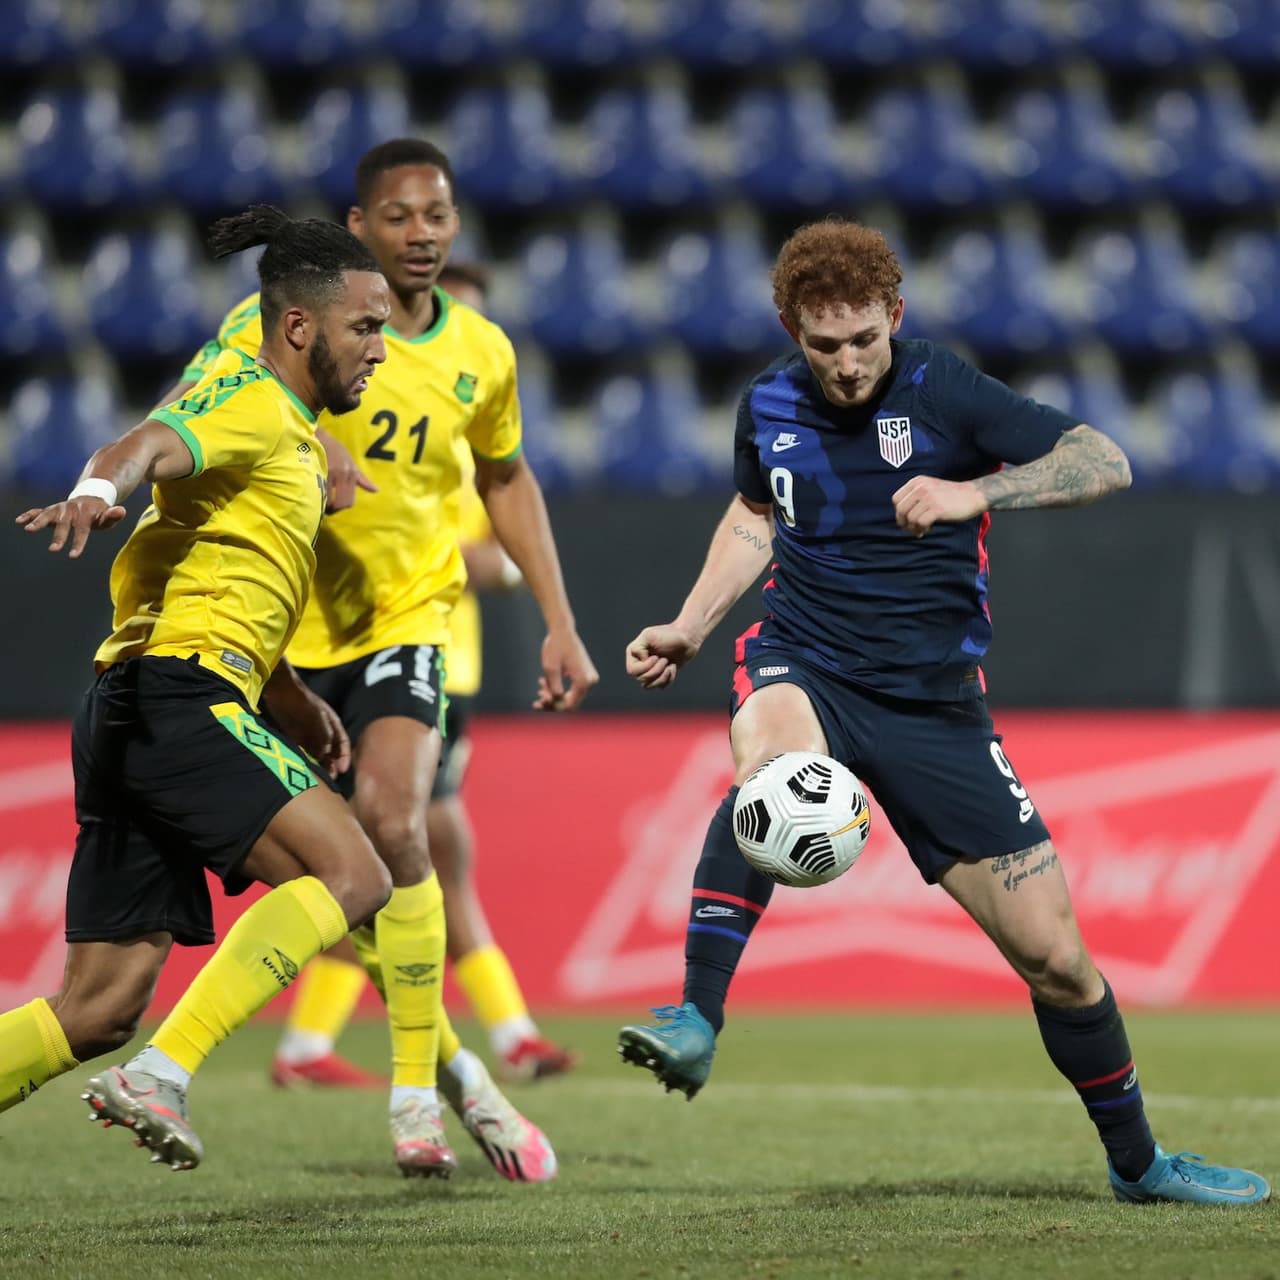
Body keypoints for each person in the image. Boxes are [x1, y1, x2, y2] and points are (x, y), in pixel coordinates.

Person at [617, 219, 1270, 1207]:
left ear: (895, 316)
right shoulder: (768, 403)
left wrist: (981, 491)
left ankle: (1138, 1163)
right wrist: (690, 621)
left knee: (1056, 959)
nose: (843, 365)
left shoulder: (941, 388)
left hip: (933, 707)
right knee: (773, 765)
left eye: (861, 341)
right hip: (807, 661)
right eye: (820, 344)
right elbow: (754, 513)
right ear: (791, 331)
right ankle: (694, 1016)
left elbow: (1102, 459)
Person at [164, 139, 597, 1180]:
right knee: (345, 877)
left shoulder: (480, 352)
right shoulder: (286, 322)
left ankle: (413, 1099)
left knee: (398, 823)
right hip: (279, 644)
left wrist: (559, 617)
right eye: (399, 216)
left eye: (438, 213)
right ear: (358, 228)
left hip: (406, 624)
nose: (423, 233)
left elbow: (506, 478)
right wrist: (309, 443)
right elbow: (206, 407)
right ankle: (464, 1077)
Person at [0, 206, 394, 1172]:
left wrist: (287, 691)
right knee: (354, 875)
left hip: (139, 699)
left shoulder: (293, 432)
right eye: (366, 327)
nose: (381, 349)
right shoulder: (250, 398)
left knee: (96, 1010)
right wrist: (100, 491)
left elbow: (226, 563)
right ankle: (164, 1075)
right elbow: (145, 445)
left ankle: (139, 1059)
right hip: (182, 692)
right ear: (300, 326)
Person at [269, 260, 578, 1088]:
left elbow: (499, 532)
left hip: (441, 666)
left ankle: (320, 1044)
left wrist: (510, 574)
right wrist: (482, 566)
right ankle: (490, 1040)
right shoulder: (389, 443)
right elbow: (470, 558)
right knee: (408, 852)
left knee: (403, 853)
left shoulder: (468, 459)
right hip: (388, 658)